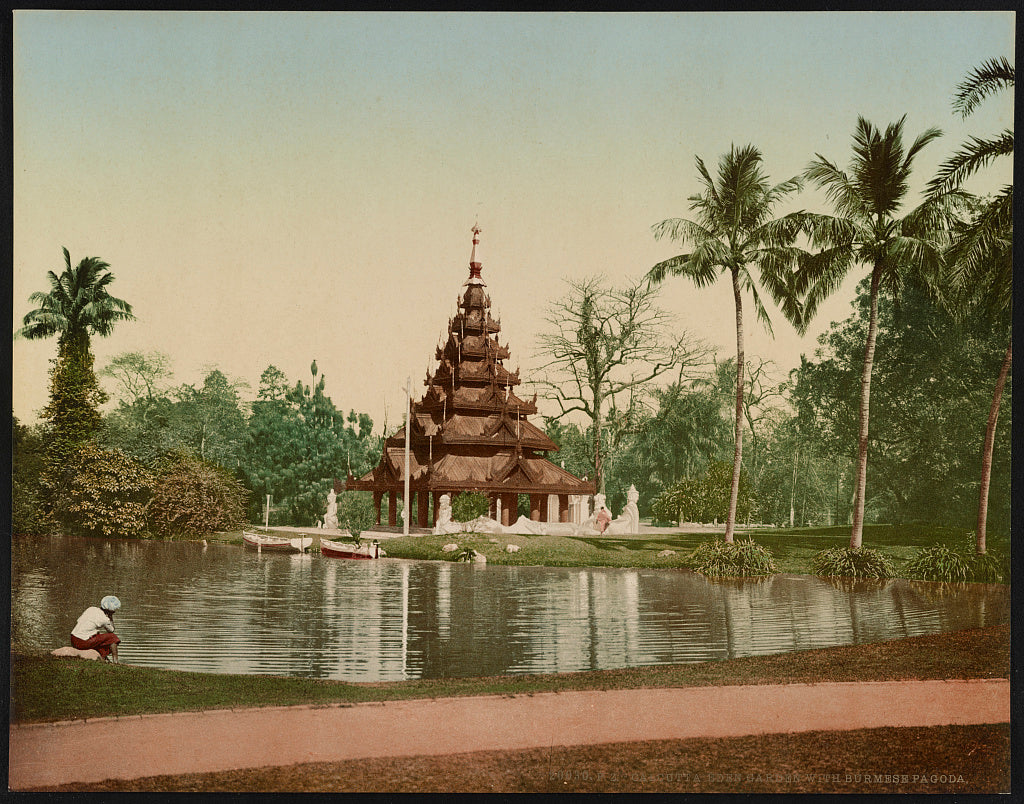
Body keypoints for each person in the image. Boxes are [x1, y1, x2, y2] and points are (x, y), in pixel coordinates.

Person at [71, 596, 121, 663]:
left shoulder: (91, 609)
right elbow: (111, 630)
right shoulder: (104, 619)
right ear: (110, 611)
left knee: (97, 636)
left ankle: (104, 659)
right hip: (82, 642)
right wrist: (110, 617)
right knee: (113, 637)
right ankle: (116, 662)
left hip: (74, 639)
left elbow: (79, 620)